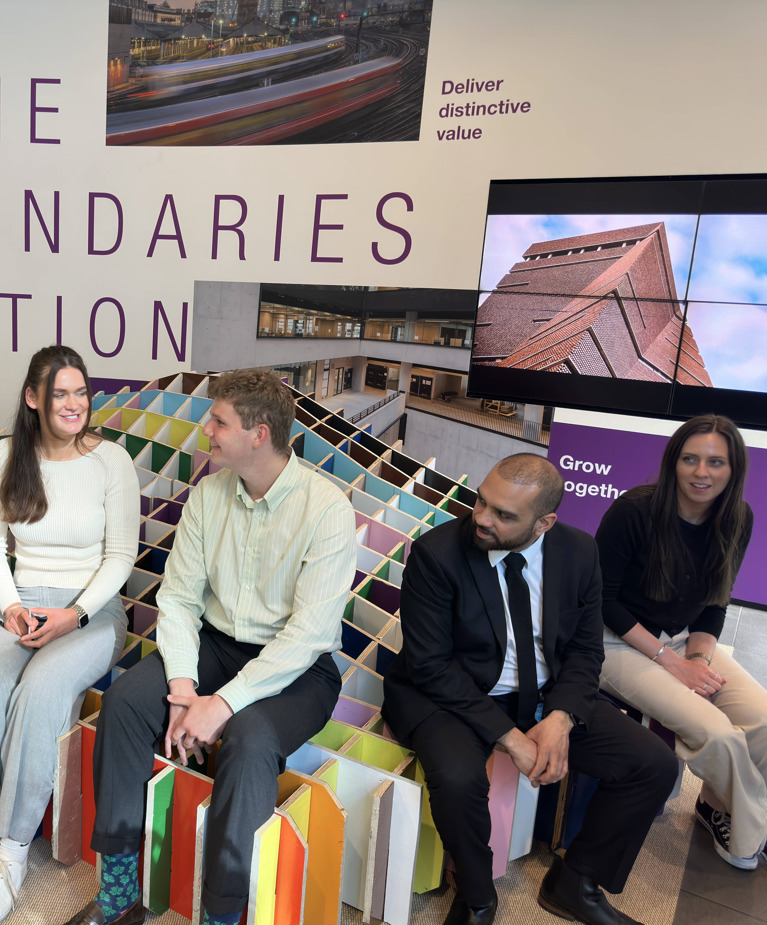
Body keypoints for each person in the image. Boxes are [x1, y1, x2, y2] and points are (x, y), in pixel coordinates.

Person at [59, 369, 357, 925]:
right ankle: (120, 894)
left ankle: (221, 915)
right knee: (125, 703)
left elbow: (308, 636)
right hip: (215, 646)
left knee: (247, 741)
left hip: (298, 670)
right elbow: (177, 601)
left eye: (219, 421)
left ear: (259, 434)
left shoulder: (326, 509)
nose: (206, 428)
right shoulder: (210, 495)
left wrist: (221, 703)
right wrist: (181, 688)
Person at [382, 453, 677, 925]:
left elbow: (585, 650)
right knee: (458, 779)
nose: (481, 518)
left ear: (545, 522)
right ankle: (478, 897)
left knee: (654, 764)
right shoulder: (436, 554)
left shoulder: (580, 552)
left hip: (544, 691)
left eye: (503, 515)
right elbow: (431, 666)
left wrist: (561, 718)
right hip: (450, 695)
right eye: (481, 501)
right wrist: (512, 737)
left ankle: (575, 881)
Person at [0, 345, 138, 925]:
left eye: (81, 393)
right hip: (21, 602)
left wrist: (75, 614)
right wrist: (12, 606)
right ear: (33, 399)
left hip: (91, 610)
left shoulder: (112, 460)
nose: (74, 405)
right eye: (60, 393)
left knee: (39, 695)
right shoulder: (5, 456)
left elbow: (120, 557)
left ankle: (12, 853)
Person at [596, 414, 764, 869]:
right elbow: (603, 602)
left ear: (733, 470)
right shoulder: (634, 511)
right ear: (674, 462)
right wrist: (672, 663)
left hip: (685, 640)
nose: (701, 472)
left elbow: (715, 603)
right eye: (690, 459)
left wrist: (698, 658)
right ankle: (755, 830)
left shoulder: (737, 519)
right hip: (614, 641)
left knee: (764, 720)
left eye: (715, 462)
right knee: (718, 736)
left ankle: (716, 808)